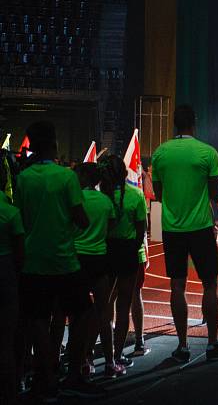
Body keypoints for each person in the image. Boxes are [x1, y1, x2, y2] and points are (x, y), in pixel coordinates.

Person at [16, 121, 102, 399]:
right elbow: (80, 217)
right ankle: (74, 373)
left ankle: (47, 374)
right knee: (84, 313)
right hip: (64, 259)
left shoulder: (23, 178)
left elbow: (23, 217)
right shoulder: (66, 177)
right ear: (53, 143)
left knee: (39, 319)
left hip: (33, 261)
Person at [151, 105, 218, 364]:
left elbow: (159, 193)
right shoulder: (206, 152)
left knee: (177, 285)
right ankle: (212, 343)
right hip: (199, 227)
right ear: (194, 123)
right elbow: (217, 194)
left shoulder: (160, 153)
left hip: (173, 229)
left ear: (174, 124)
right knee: (210, 284)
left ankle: (183, 345)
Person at [71, 163, 121, 377]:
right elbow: (110, 227)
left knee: (77, 314)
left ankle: (80, 362)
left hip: (77, 260)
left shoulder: (75, 200)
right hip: (99, 259)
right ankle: (109, 363)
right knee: (103, 312)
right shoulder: (105, 202)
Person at [101, 154, 147, 369]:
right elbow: (141, 229)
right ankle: (117, 356)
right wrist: (132, 249)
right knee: (123, 306)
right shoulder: (136, 195)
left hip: (106, 253)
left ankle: (95, 357)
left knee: (103, 306)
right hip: (128, 253)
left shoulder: (101, 197)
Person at [0, 158, 24, 405]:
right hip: (7, 273)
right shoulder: (11, 212)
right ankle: (13, 386)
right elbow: (20, 252)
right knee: (9, 335)